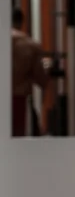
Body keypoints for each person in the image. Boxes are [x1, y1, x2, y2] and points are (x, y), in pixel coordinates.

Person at [11, 8, 49, 136]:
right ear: (21, 22)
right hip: (18, 100)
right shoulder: (30, 45)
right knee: (18, 142)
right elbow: (41, 79)